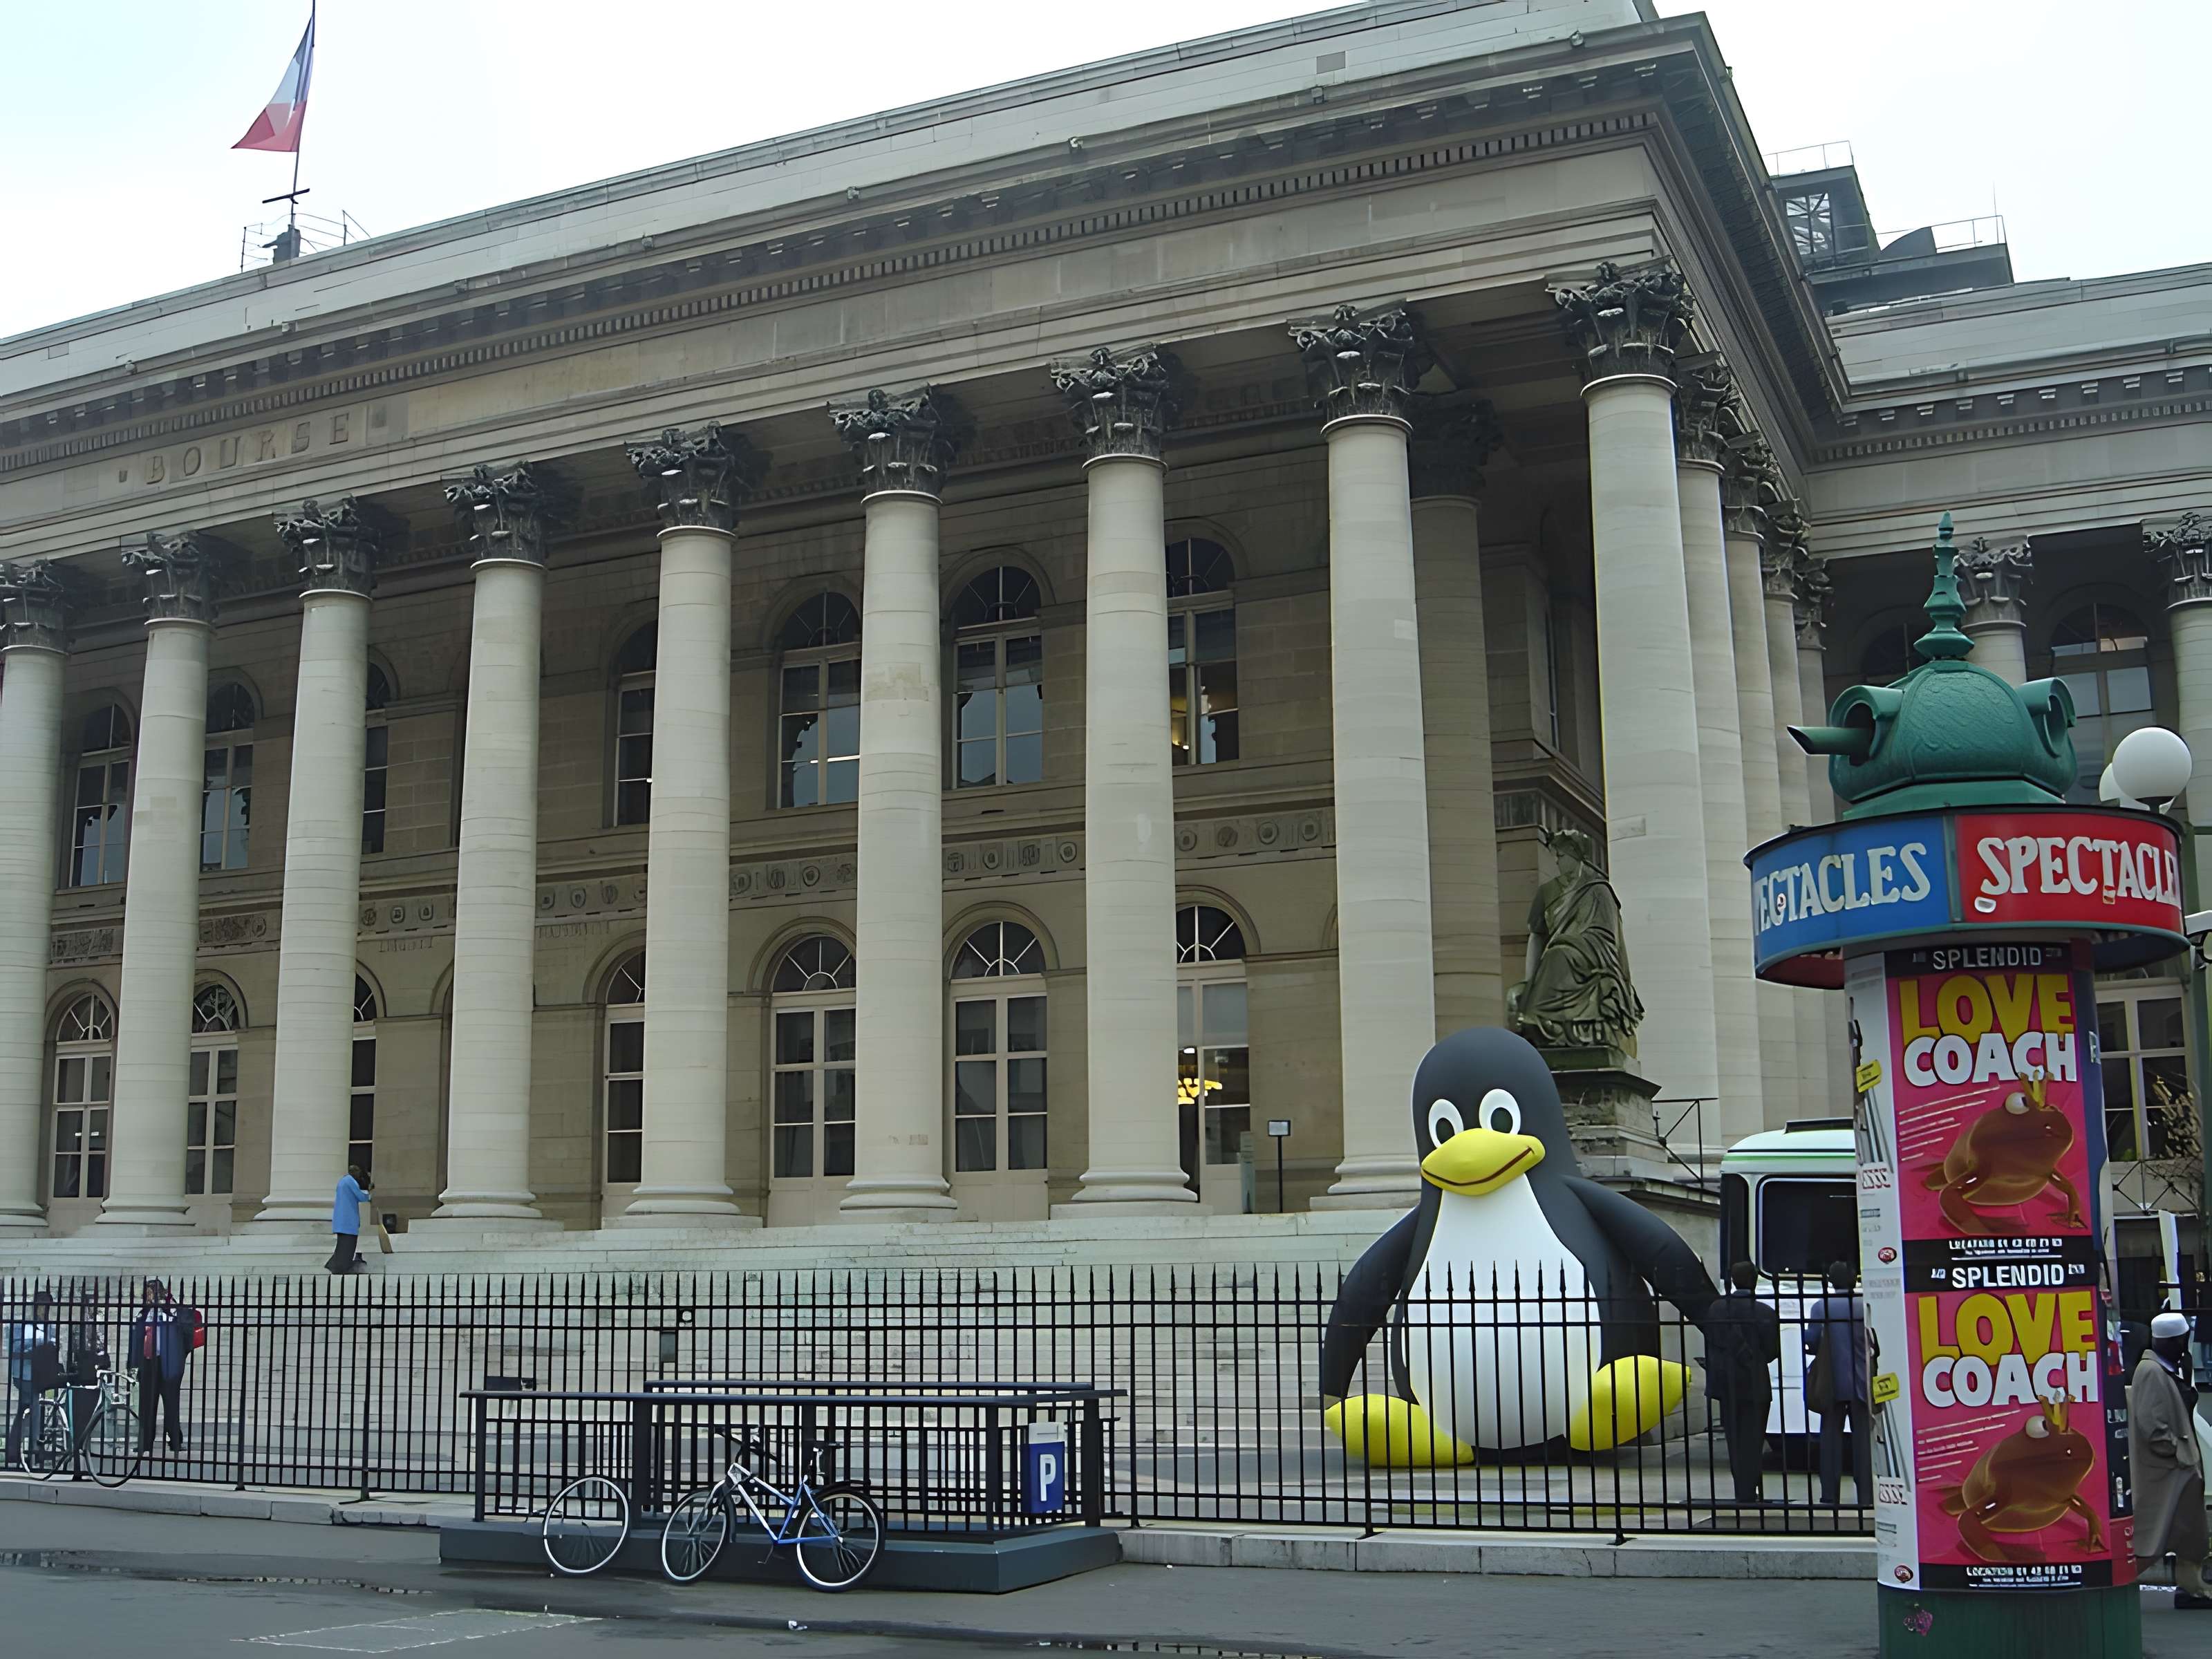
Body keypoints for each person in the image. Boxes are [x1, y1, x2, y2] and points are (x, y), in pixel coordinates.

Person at [2133, 1311, 2212, 1609]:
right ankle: (2119, 1582)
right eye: (2182, 1341)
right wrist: (2180, 1453)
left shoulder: (2165, 1368)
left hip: (2178, 1471)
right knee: (2155, 1534)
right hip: (2167, 1472)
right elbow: (2152, 1425)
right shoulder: (2152, 1372)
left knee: (2188, 1534)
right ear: (2176, 1341)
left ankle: (2192, 1589)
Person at [1702, 1261, 1781, 1504]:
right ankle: (1749, 1490)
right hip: (1755, 1382)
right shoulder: (1765, 1312)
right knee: (1754, 1440)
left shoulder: (1716, 1309)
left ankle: (1743, 1490)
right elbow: (1771, 1352)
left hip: (1727, 1383)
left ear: (1732, 1280)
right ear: (1755, 1280)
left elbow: (1712, 1343)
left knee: (1734, 1440)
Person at [1804, 1259, 1871, 1506]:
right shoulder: (1864, 1305)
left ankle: (1830, 1495)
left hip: (1831, 1382)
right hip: (1862, 1381)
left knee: (1830, 1439)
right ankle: (1865, 1495)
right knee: (1863, 1442)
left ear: (1830, 1281)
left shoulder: (1822, 1307)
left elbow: (1811, 1342)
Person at [127, 1278, 191, 1455]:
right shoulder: (143, 1314)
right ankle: (145, 1443)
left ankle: (176, 1441)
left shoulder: (172, 1311)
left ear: (161, 1293)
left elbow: (187, 1334)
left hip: (168, 1362)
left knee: (171, 1405)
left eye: (153, 1293)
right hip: (148, 1363)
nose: (150, 1297)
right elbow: (136, 1340)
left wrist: (180, 1356)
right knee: (147, 1405)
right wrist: (133, 1364)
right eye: (147, 1294)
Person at [5, 1290, 62, 1467]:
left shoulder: (48, 1326)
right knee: (35, 1409)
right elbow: (14, 1348)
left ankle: (13, 1451)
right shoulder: (22, 1325)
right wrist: (37, 1345)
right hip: (23, 1374)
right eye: (41, 1307)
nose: (43, 1311)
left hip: (40, 1374)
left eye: (46, 1308)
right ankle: (35, 1451)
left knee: (24, 1410)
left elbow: (52, 1345)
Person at [64, 1289, 109, 1451]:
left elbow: (103, 1353)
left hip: (89, 1379)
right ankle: (79, 1454)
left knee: (85, 1420)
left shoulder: (98, 1327)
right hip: (82, 1379)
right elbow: (73, 1352)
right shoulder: (79, 1328)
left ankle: (80, 1453)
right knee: (81, 1420)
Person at [328, 1165, 372, 1274]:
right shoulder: (350, 1181)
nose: (359, 1175)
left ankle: (335, 1266)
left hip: (343, 1221)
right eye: (358, 1172)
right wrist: (370, 1194)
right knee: (347, 1247)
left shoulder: (344, 1181)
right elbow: (361, 1196)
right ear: (355, 1172)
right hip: (348, 1222)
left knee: (343, 1246)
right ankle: (340, 1268)